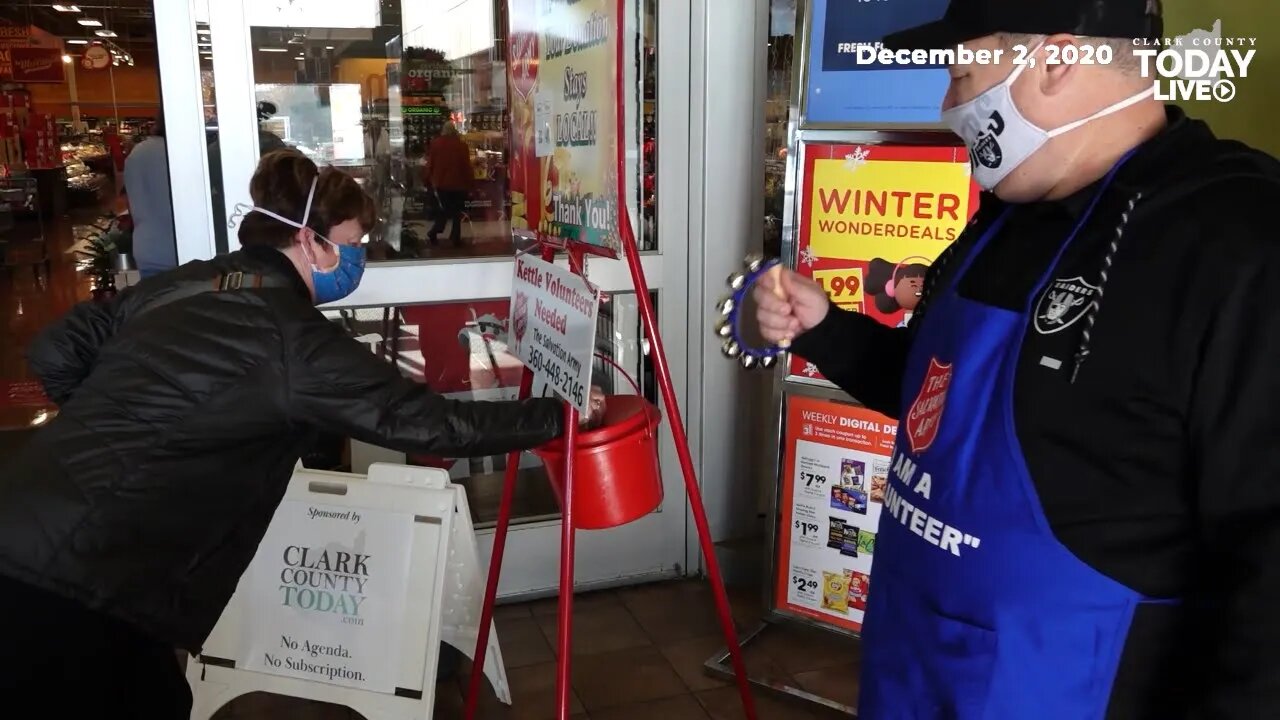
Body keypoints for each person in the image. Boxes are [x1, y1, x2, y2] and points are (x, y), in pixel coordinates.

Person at [756, 2, 1280, 718]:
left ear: (1058, 61)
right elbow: (937, 402)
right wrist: (823, 329)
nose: (949, 107)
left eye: (963, 74)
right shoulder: (1004, 217)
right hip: (910, 667)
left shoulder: (1239, 245)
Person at [0, 149, 604, 716]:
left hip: (30, 521)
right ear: (308, 241)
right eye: (353, 242)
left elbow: (56, 350)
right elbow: (430, 421)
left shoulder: (184, 284)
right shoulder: (290, 337)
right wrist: (558, 415)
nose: (361, 256)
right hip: (85, 582)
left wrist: (123, 423)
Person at [121, 116, 178, 278]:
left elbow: (131, 202)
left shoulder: (137, 152)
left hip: (146, 248)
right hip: (178, 249)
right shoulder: (177, 151)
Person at [425, 122, 476, 247]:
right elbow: (466, 167)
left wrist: (427, 181)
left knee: (443, 210)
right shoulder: (461, 145)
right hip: (458, 184)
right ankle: (455, 237)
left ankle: (435, 231)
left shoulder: (436, 144)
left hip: (441, 183)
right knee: (456, 212)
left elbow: (430, 164)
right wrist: (471, 184)